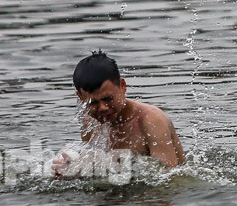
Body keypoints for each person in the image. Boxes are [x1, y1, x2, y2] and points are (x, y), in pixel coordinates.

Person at [53, 51, 185, 176]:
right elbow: (96, 167)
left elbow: (170, 179)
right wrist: (73, 170)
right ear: (80, 97)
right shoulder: (89, 122)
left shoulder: (152, 120)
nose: (103, 108)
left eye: (108, 99)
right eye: (93, 103)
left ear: (123, 86)